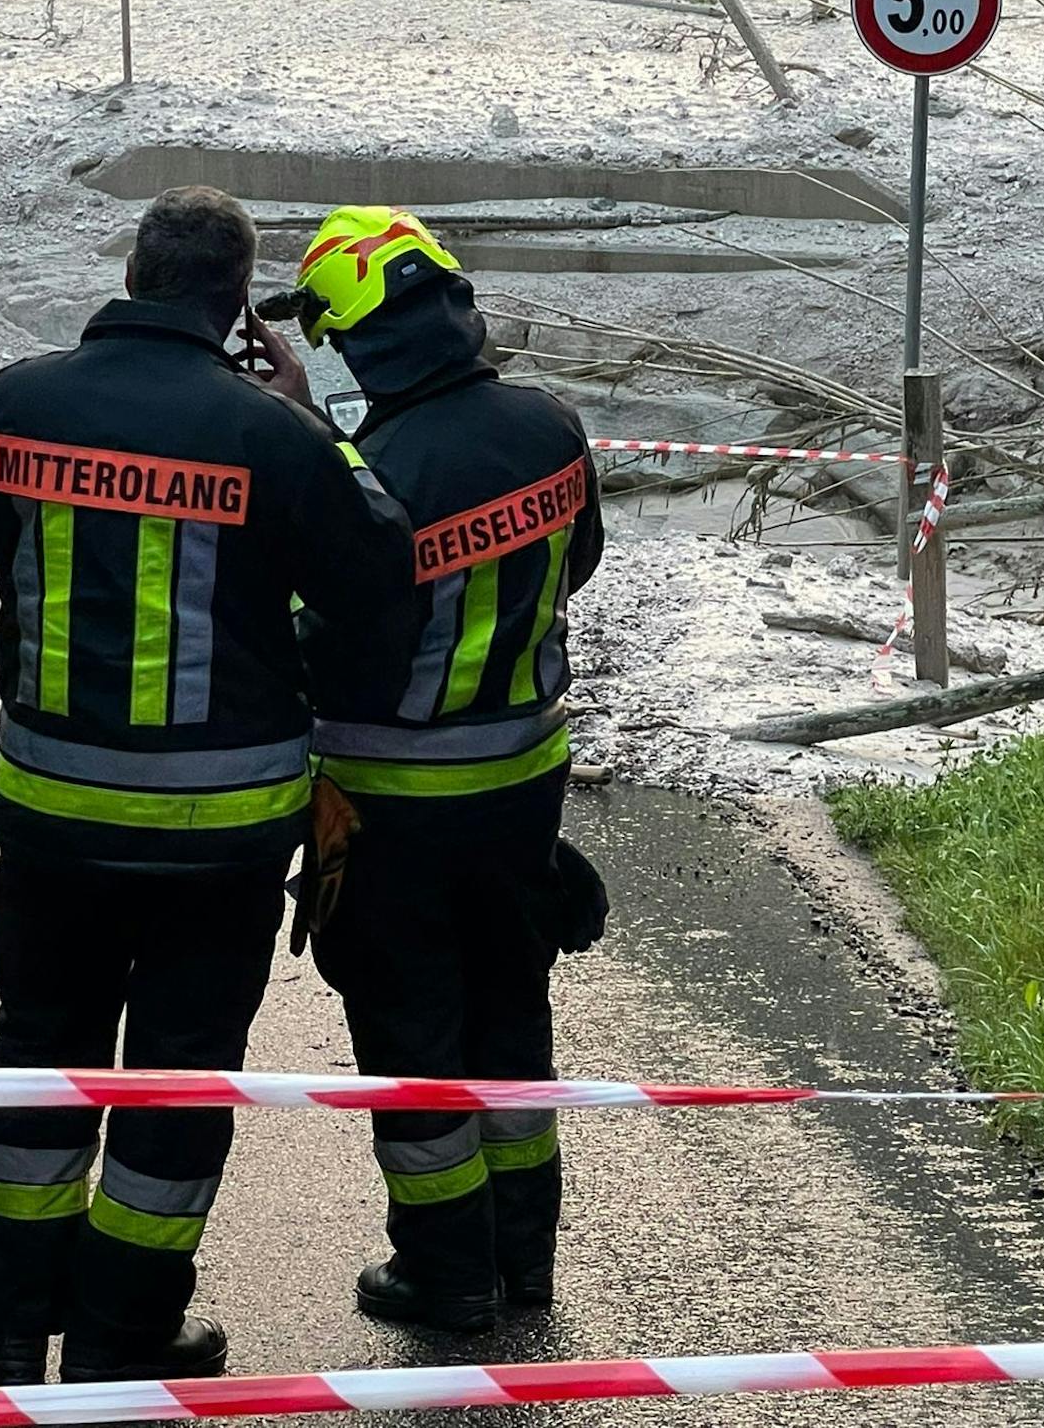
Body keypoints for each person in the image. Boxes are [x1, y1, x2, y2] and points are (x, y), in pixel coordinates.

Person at [0, 186, 415, 1390]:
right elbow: (378, 580)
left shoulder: (17, 400)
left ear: (137, 272)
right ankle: (120, 1342)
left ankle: (4, 1334)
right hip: (217, 846)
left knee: (36, 1059)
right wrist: (316, 418)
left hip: (50, 823)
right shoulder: (271, 435)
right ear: (235, 303)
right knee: (173, 1087)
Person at [266, 209, 606, 1335]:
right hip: (521, 791)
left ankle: (444, 1273)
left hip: (387, 809)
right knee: (513, 1020)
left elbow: (329, 638)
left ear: (358, 340)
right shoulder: (550, 427)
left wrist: (306, 445)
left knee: (413, 1043)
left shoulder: (365, 473)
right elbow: (577, 564)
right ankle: (525, 1262)